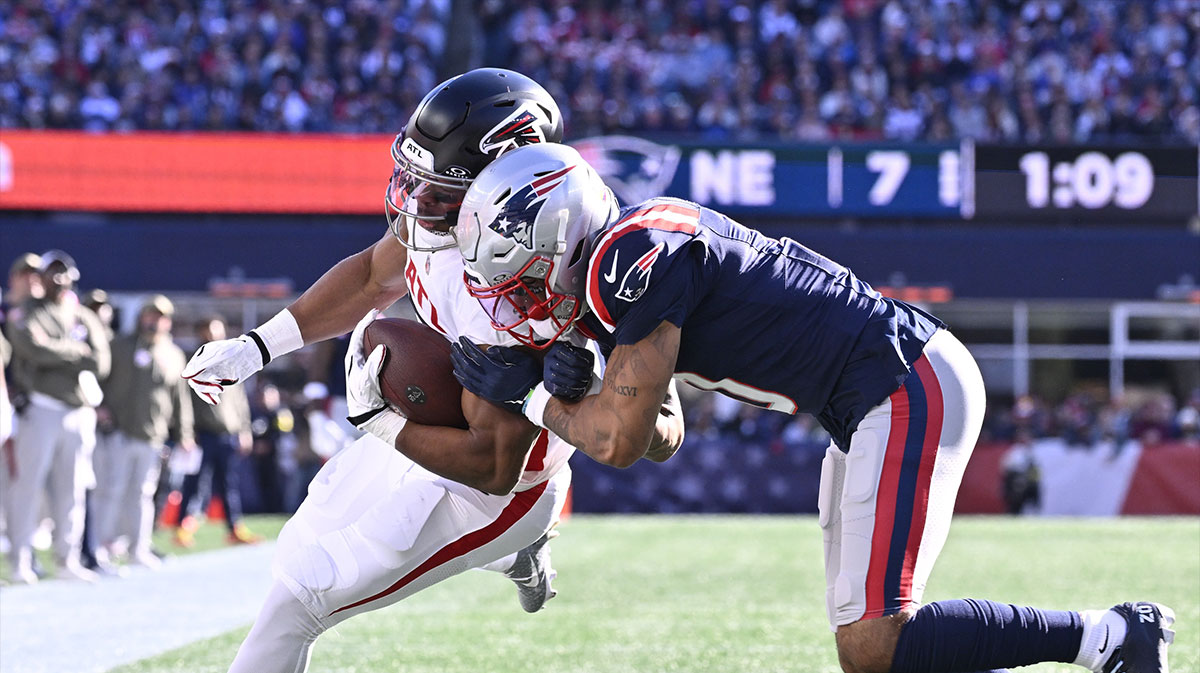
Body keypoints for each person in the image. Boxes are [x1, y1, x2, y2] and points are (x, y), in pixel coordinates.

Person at [448, 142, 1176, 673]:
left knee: (875, 641)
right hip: (869, 396)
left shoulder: (629, 262)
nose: (517, 300)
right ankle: (1109, 639)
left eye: (520, 278)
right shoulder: (631, 253)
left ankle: (1112, 636)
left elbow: (619, 443)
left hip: (900, 380)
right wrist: (587, 384)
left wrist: (535, 396)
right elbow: (662, 431)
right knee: (867, 648)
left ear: (561, 238)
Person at [179, 69, 676, 673]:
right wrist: (259, 346)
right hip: (443, 427)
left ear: (508, 184)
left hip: (500, 489)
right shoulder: (447, 225)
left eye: (440, 191)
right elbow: (370, 276)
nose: (417, 203)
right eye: (416, 180)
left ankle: (517, 543)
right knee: (297, 550)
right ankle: (518, 557)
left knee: (302, 597)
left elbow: (493, 467)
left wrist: (378, 421)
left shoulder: (561, 270)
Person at [4, 250, 110, 583]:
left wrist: (58, 350)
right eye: (53, 273)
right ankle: (20, 560)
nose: (59, 279)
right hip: (41, 408)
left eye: (64, 273)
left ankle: (68, 559)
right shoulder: (26, 312)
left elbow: (102, 362)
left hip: (78, 411)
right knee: (28, 487)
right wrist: (77, 352)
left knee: (73, 489)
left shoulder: (83, 316)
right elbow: (31, 349)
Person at [94, 294, 194, 570]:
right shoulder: (120, 346)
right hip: (119, 430)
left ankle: (137, 547)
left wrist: (185, 433)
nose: (154, 321)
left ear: (167, 321)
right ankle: (101, 547)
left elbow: (180, 398)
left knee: (142, 494)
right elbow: (98, 378)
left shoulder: (172, 354)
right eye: (150, 315)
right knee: (111, 490)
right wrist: (99, 406)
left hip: (153, 435)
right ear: (141, 317)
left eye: (159, 316)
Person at [175, 315, 260, 546]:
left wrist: (245, 430)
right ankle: (183, 527)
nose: (212, 335)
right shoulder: (193, 361)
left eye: (216, 330)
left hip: (228, 434)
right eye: (208, 331)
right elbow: (185, 401)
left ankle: (234, 528)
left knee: (229, 485)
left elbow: (240, 400)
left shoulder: (231, 359)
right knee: (195, 483)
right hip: (204, 433)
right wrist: (188, 432)